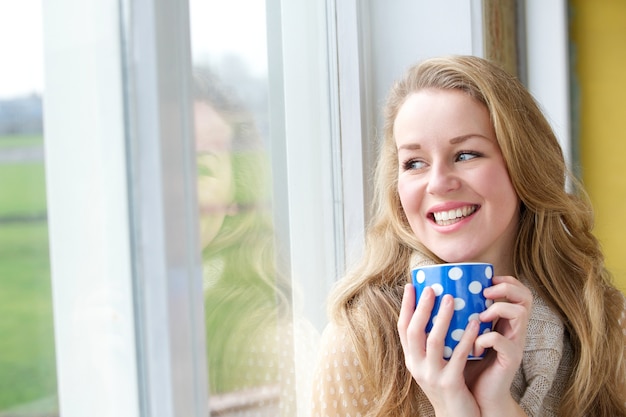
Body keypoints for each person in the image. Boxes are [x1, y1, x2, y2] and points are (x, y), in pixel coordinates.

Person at [311, 55, 626, 417]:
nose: (439, 183)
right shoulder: (360, 341)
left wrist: (499, 406)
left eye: (465, 154)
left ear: (523, 163)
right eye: (414, 163)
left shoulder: (599, 322)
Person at [193, 69, 319, 416]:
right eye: (157, 165)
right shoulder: (107, 317)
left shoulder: (269, 343)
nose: (172, 186)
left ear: (237, 193)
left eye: (200, 169)